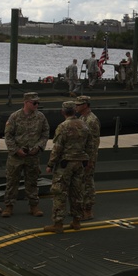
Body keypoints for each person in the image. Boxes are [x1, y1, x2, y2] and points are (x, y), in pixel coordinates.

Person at [44, 100, 95, 233]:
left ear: (63, 112)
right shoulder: (84, 125)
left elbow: (58, 148)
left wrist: (50, 164)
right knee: (77, 192)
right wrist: (88, 161)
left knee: (59, 192)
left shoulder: (63, 126)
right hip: (80, 163)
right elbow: (90, 145)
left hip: (65, 163)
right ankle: (76, 221)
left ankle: (58, 223)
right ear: (74, 111)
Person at [2, 92, 50, 218]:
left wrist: (39, 147)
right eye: (34, 103)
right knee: (12, 182)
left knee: (32, 182)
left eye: (38, 103)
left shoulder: (41, 117)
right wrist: (16, 150)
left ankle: (34, 206)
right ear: (26, 102)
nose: (37, 105)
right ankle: (9, 206)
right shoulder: (15, 117)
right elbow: (8, 136)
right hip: (16, 157)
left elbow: (45, 134)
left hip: (32, 156)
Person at [76, 95, 100, 221]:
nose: (76, 106)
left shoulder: (91, 120)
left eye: (78, 105)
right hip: (82, 156)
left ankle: (88, 210)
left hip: (88, 156)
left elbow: (93, 143)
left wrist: (89, 160)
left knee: (88, 183)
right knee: (81, 182)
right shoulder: (83, 118)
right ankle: (81, 208)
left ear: (85, 105)